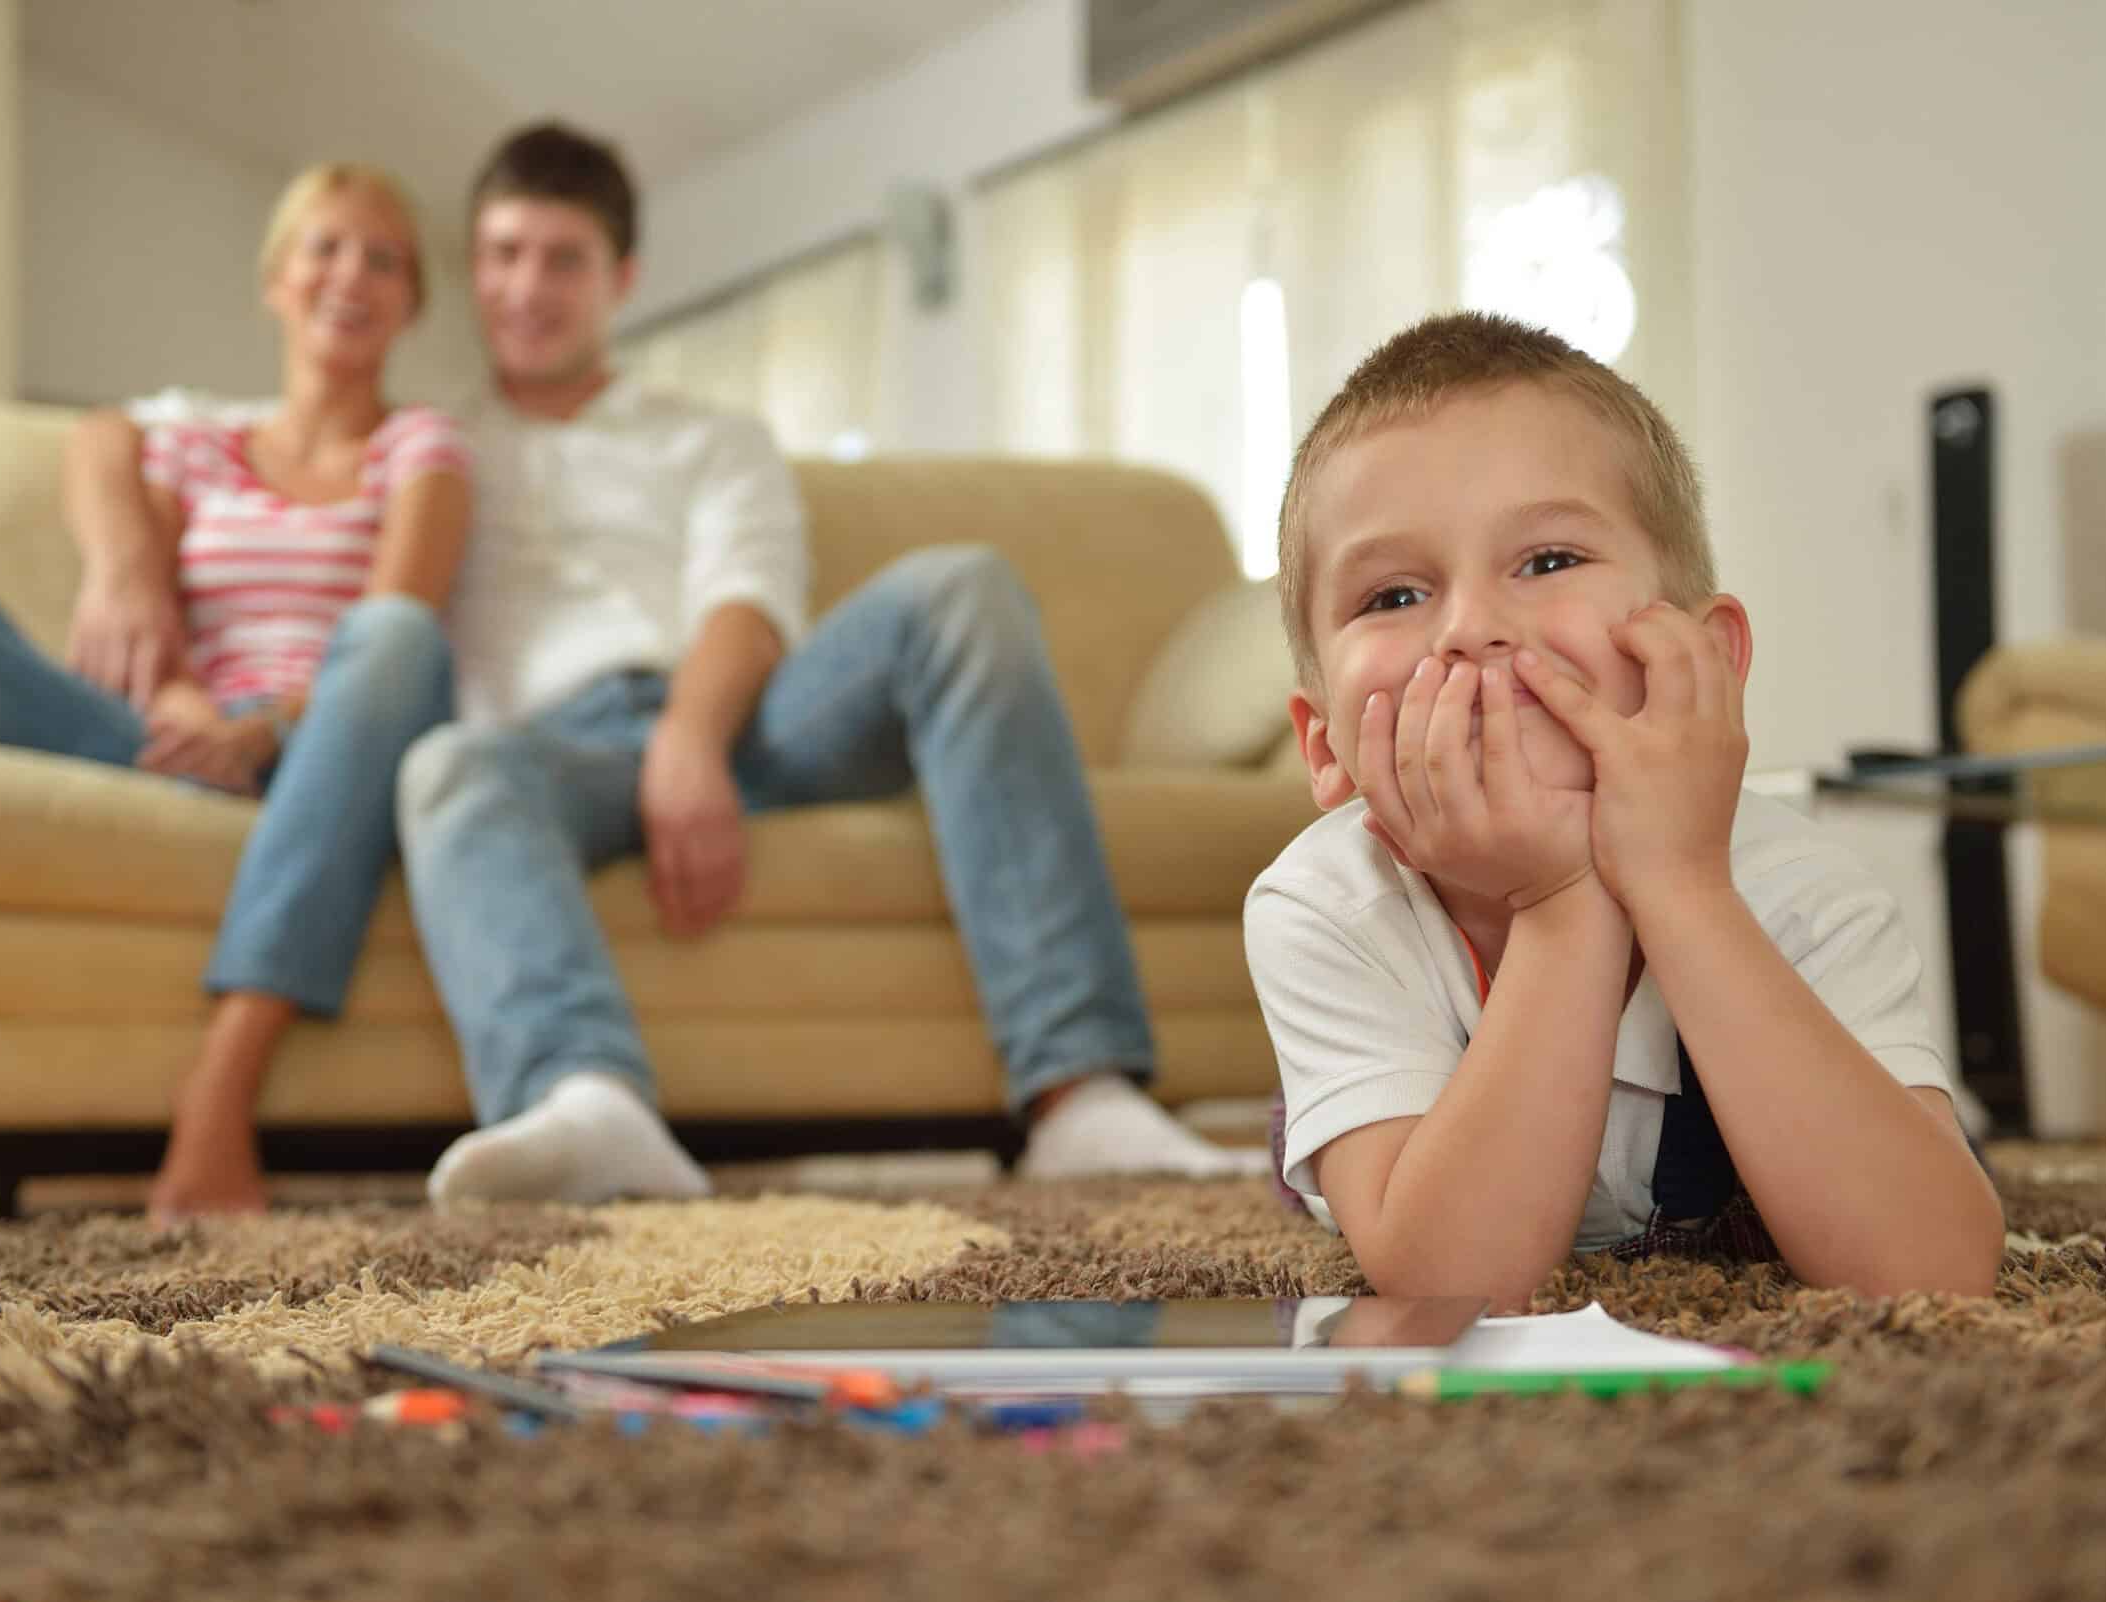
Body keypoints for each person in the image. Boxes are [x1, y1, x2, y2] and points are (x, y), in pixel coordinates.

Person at [63, 122, 1252, 1205]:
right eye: (503, 254)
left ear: (619, 280)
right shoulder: (421, 443)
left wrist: (689, 738)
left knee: (962, 586)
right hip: (540, 759)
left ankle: (1081, 1097)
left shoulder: (707, 436)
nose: (527, 288)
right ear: (470, 273)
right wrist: (123, 566)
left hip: (745, 726)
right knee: (444, 772)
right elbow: (139, 428)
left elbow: (750, 597)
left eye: (562, 259)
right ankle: (590, 1109)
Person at [1245, 310, 2003, 1305]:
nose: (1470, 626)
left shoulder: (1799, 890)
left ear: (1708, 658)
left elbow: (1931, 1272)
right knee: (1357, 1142)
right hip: (1397, 1115)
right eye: (1393, 596)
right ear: (1325, 745)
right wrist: (1561, 900)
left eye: (1547, 561)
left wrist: (1681, 885)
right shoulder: (1325, 907)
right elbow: (1450, 1282)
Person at [0, 164, 472, 1223]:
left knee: (397, 638)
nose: (349, 273)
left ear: (410, 302)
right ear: (276, 278)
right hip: (175, 754)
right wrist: (175, 694)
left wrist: (264, 730)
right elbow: (120, 496)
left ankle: (218, 1088)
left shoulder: (423, 449)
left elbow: (398, 625)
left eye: (383, 256)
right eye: (324, 246)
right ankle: (217, 784)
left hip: (329, 755)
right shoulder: (200, 444)